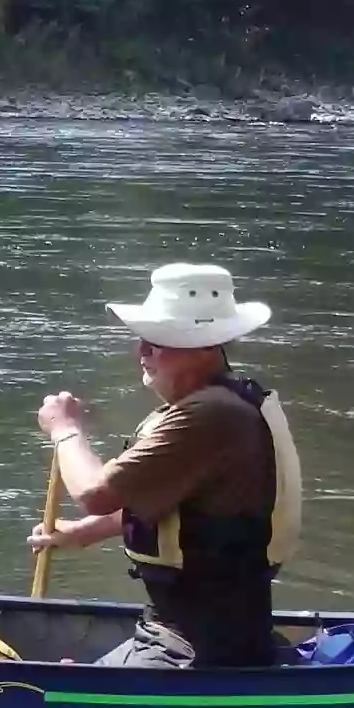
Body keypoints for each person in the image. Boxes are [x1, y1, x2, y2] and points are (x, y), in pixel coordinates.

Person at [29, 264, 304, 668]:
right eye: (144, 341)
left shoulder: (211, 415)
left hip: (199, 645)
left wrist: (64, 428)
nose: (141, 353)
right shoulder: (221, 404)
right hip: (194, 629)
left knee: (63, 694)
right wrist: (90, 532)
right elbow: (192, 509)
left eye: (157, 343)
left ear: (204, 348)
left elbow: (95, 494)